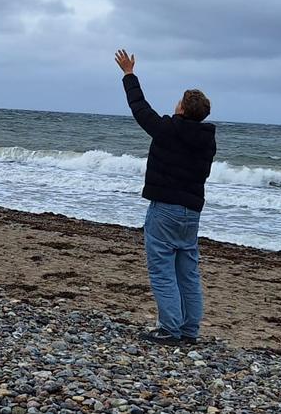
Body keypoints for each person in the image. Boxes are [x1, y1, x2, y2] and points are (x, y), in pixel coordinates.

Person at [114, 49, 216, 346]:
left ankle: (170, 329)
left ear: (182, 108)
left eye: (179, 102)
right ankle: (189, 330)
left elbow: (140, 109)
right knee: (188, 272)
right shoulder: (207, 139)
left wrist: (129, 74)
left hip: (165, 210)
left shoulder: (168, 130)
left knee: (161, 271)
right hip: (191, 213)